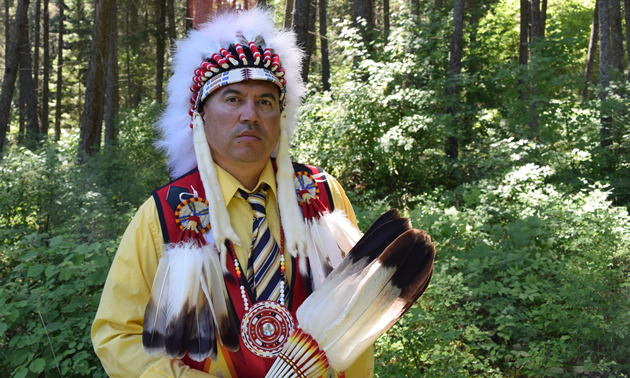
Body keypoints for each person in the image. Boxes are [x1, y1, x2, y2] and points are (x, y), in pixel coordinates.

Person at [91, 7, 374, 378]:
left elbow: (357, 314)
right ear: (200, 116)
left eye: (266, 101)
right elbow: (116, 333)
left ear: (280, 118)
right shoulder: (162, 215)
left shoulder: (323, 197)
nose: (251, 115)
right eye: (233, 98)